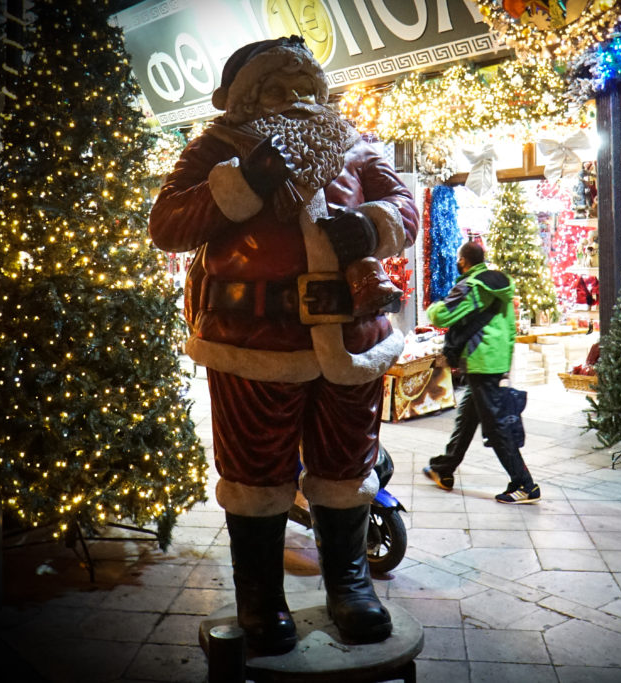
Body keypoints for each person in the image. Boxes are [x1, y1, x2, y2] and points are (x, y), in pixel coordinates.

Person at [148, 36, 418, 652]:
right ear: (245, 98)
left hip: (350, 337)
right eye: (278, 88)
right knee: (256, 474)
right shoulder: (216, 148)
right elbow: (167, 225)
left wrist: (372, 224)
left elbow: (403, 204)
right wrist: (241, 181)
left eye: (306, 87)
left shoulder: (353, 144)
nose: (297, 99)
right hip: (253, 340)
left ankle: (351, 586)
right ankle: (261, 600)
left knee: (346, 467)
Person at [423, 241, 540, 504]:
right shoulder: (500, 282)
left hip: (480, 362)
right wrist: (506, 360)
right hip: (494, 361)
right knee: (466, 420)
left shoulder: (472, 286)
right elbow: (510, 329)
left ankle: (525, 484)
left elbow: (441, 316)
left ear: (463, 261)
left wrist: (432, 307)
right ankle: (444, 468)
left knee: (496, 427)